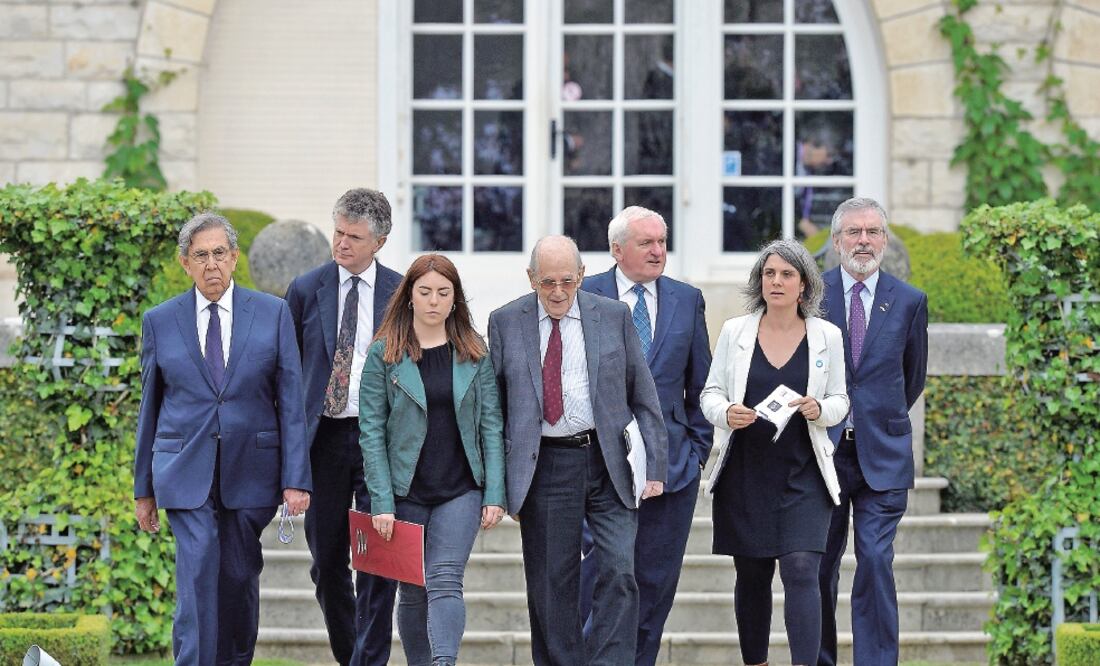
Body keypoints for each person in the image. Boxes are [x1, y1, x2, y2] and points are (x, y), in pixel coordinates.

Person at [134, 212, 312, 666]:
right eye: (201, 256)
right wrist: (144, 490)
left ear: (235, 258)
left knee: (238, 577)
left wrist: (297, 479)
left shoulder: (272, 314)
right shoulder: (160, 321)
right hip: (183, 470)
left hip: (251, 470)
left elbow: (290, 402)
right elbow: (149, 408)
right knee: (196, 572)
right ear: (185, 263)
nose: (211, 264)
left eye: (219, 254)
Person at [488, 235, 668, 665]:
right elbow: (493, 411)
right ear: (531, 278)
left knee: (620, 569)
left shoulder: (613, 315)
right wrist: (498, 484)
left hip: (608, 460)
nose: (557, 292)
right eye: (547, 281)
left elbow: (642, 395)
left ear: (582, 276)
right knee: (553, 583)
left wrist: (655, 465)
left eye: (567, 281)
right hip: (546, 464)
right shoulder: (505, 322)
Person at [700, 239, 849, 666]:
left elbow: (841, 399)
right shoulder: (735, 331)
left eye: (786, 274)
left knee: (803, 569)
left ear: (804, 284)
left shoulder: (827, 336)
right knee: (752, 576)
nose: (776, 282)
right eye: (769, 274)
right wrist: (727, 412)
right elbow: (711, 393)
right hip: (746, 474)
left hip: (804, 474)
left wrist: (820, 408)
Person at [578, 206, 713, 665]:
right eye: (646, 243)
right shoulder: (583, 293)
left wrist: (696, 449)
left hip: (671, 467)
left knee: (655, 585)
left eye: (662, 241)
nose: (658, 251)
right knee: (601, 578)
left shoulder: (687, 299)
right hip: (598, 466)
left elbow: (702, 383)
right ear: (617, 250)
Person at [359, 254, 506, 666]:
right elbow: (370, 432)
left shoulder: (474, 353)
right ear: (409, 296)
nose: (433, 301)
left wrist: (494, 491)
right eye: (424, 292)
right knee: (413, 589)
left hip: (460, 489)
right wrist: (382, 501)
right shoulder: (383, 356)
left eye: (444, 292)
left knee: (444, 579)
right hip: (406, 492)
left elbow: (490, 426)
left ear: (455, 298)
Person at [284, 188, 401, 666]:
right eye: (338, 232)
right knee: (327, 562)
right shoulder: (305, 289)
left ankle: (367, 661)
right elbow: (287, 377)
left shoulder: (402, 293)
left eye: (354, 237)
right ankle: (350, 655)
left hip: (379, 441)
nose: (342, 244)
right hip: (324, 442)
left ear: (380, 242)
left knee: (378, 564)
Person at [817, 197, 928, 666]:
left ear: (884, 239)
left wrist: (874, 420)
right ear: (837, 240)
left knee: (877, 561)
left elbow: (913, 375)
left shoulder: (909, 300)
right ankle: (818, 658)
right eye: (854, 232)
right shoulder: (812, 295)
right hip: (822, 455)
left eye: (873, 232)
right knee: (818, 569)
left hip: (882, 456)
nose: (864, 241)